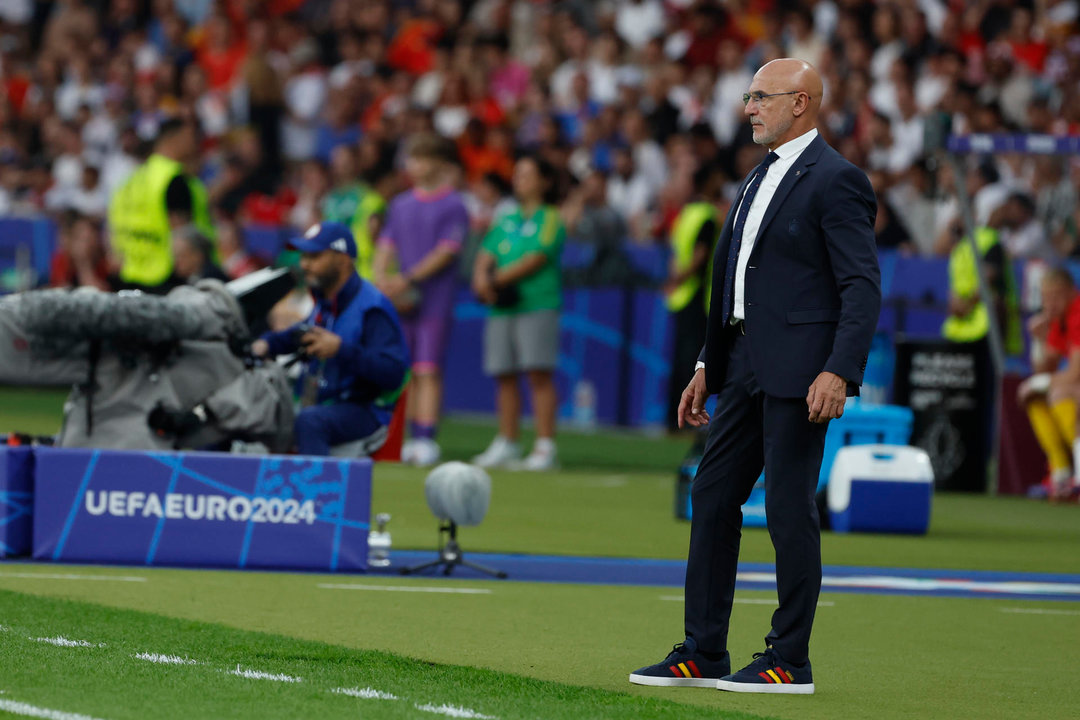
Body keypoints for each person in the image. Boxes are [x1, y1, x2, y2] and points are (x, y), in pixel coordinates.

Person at [629, 59, 881, 694]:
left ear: (800, 103)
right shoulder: (754, 177)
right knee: (711, 496)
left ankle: (789, 659)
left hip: (802, 372)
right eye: (748, 96)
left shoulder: (838, 180)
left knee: (788, 508)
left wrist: (840, 370)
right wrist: (707, 365)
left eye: (760, 97)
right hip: (740, 366)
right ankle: (704, 650)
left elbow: (861, 285)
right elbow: (732, 282)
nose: (748, 108)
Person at [252, 222, 409, 457]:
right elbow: (300, 334)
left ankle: (319, 492)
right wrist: (265, 344)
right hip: (323, 403)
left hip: (363, 410)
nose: (304, 264)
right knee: (253, 411)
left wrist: (341, 350)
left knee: (311, 421)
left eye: (315, 256)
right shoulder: (326, 301)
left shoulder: (373, 308)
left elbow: (393, 373)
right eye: (304, 256)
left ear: (343, 260)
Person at [374, 134, 470, 467]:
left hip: (434, 300)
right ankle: (407, 437)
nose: (415, 166)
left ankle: (426, 437)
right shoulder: (400, 204)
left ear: (441, 164)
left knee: (428, 369)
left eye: (422, 158)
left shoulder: (454, 204)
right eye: (413, 158)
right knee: (405, 370)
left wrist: (407, 279)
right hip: (401, 300)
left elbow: (447, 251)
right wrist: (381, 280)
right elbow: (386, 244)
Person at [471, 155, 565, 471]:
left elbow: (537, 257)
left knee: (538, 374)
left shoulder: (550, 216)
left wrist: (493, 280)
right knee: (504, 374)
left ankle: (544, 445)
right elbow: (486, 252)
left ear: (545, 181)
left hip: (537, 303)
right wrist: (481, 278)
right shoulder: (506, 217)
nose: (518, 179)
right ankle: (508, 441)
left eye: (527, 174)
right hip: (502, 306)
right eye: (517, 173)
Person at [106, 116, 215, 293]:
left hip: (130, 275)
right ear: (176, 139)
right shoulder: (172, 179)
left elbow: (113, 230)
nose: (196, 143)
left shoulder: (130, 181)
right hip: (169, 279)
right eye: (191, 137)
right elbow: (183, 235)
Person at [663, 164, 720, 432]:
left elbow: (676, 251)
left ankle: (672, 418)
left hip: (680, 296)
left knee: (679, 360)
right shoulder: (708, 215)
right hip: (697, 295)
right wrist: (682, 279)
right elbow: (700, 257)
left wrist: (674, 280)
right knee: (694, 363)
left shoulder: (686, 214)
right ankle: (687, 418)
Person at [1020, 268, 1080, 499]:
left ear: (1071, 292)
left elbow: (1074, 374)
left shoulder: (1077, 314)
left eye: (1055, 296)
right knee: (1035, 397)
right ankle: (1061, 474)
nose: (1050, 303)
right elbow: (1045, 369)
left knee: (1060, 393)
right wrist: (1038, 339)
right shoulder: (1059, 319)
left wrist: (1036, 382)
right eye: (1045, 297)